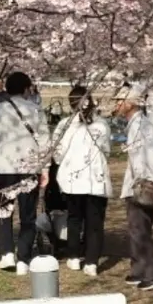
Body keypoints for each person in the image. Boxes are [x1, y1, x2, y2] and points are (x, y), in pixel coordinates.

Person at [0, 71, 50, 274]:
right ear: (25, 88)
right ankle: (23, 258)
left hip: (4, 166)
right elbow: (45, 141)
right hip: (29, 168)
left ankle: (6, 254)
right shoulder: (36, 109)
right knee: (27, 214)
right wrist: (45, 168)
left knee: (4, 210)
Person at [52, 85, 112, 277]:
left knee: (74, 219)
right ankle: (92, 262)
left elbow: (57, 154)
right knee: (95, 222)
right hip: (96, 179)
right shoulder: (102, 125)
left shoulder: (64, 125)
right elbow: (107, 151)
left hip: (72, 180)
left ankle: (74, 257)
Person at [122, 82, 153, 290]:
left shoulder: (140, 126)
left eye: (120, 100)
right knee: (138, 228)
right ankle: (139, 268)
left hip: (143, 183)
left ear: (132, 103)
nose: (116, 105)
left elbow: (151, 157)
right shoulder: (137, 123)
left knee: (139, 230)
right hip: (137, 181)